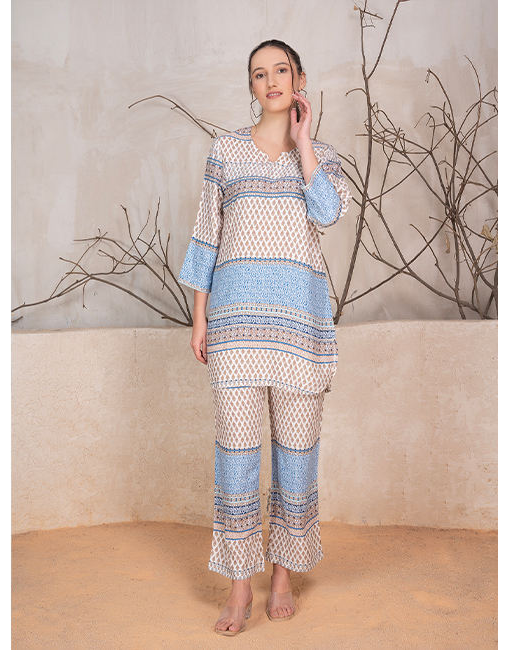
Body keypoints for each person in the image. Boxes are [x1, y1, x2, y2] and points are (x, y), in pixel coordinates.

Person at [178, 39, 352, 636]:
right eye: (259, 74)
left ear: (299, 79)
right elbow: (206, 235)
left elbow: (327, 214)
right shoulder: (225, 151)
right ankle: (238, 586)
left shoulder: (321, 157)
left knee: (296, 455)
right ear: (250, 86)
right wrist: (199, 318)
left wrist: (304, 144)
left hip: (300, 327)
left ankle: (282, 577)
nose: (271, 80)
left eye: (281, 70)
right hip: (233, 327)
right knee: (236, 456)